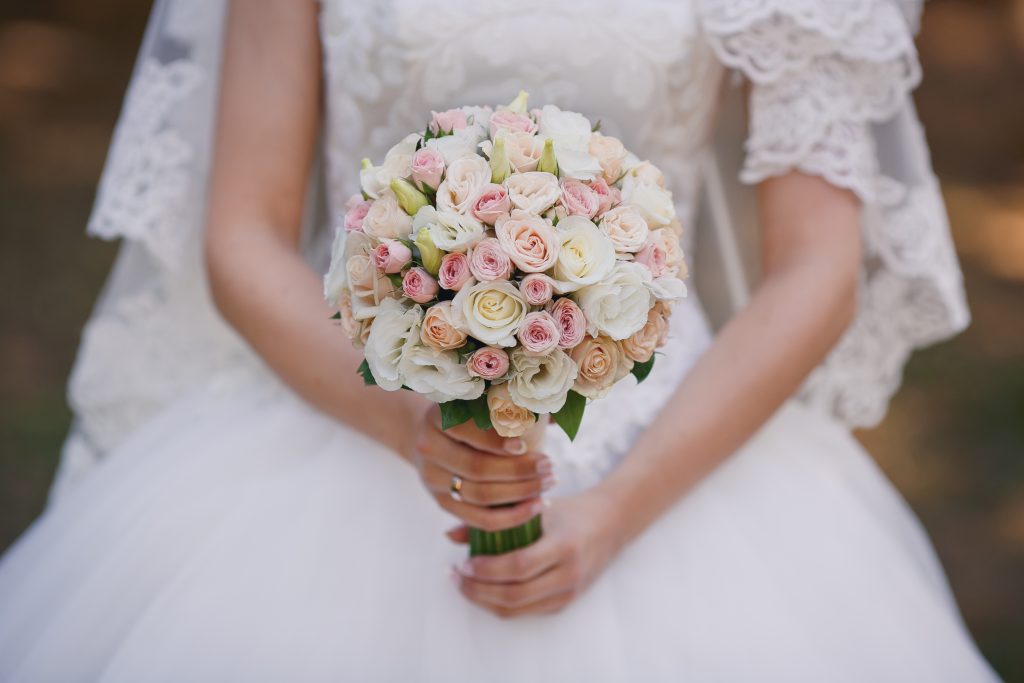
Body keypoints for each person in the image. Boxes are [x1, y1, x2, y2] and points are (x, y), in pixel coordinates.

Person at [0, 0, 1001, 680]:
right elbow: (242, 233)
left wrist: (614, 506)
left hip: (670, 439)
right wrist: (413, 424)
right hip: (349, 404)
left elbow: (817, 265)